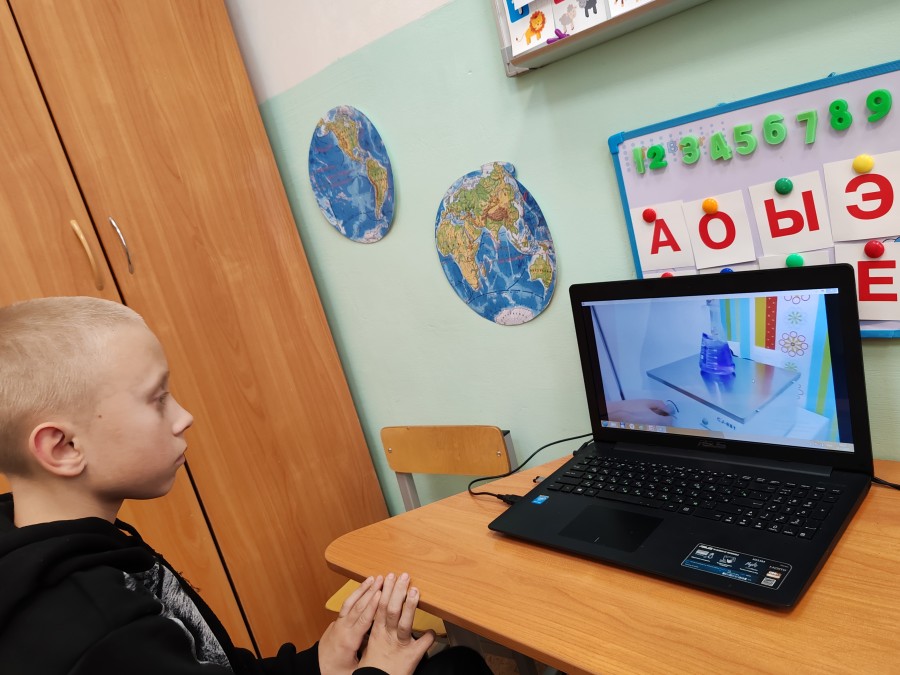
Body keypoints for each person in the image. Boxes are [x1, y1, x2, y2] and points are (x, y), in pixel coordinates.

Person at [0, 297, 491, 675]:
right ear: (63, 447)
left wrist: (317, 662)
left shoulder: (77, 548)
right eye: (158, 399)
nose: (184, 417)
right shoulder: (101, 632)